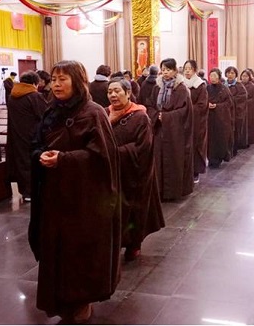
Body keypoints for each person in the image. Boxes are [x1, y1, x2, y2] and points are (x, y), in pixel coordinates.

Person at [30, 60, 120, 323]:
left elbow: (103, 158)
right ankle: (59, 299)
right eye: (54, 79)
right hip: (53, 195)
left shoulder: (93, 113)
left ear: (78, 82)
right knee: (56, 250)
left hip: (84, 200)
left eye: (63, 79)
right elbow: (36, 143)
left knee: (80, 251)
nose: (56, 85)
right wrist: (41, 154)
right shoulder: (51, 111)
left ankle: (82, 300)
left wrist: (65, 159)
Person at [107, 77, 164, 262]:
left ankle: (133, 244)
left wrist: (116, 153)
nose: (113, 95)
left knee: (133, 212)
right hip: (111, 173)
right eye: (110, 92)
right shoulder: (105, 115)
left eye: (117, 91)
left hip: (134, 174)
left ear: (128, 92)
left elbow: (143, 148)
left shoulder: (140, 116)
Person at [148, 59, 194, 201]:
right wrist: (156, 115)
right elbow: (150, 105)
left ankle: (173, 192)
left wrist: (166, 117)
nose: (165, 72)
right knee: (158, 159)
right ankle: (159, 190)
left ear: (175, 71)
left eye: (168, 69)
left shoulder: (181, 89)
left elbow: (185, 111)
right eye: (163, 69)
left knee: (174, 159)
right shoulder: (157, 88)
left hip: (175, 132)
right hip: (158, 129)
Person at [6, 71, 47, 202]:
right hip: (33, 135)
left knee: (21, 163)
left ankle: (25, 192)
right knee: (33, 163)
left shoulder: (12, 96)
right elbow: (44, 115)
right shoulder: (34, 96)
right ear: (35, 83)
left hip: (17, 135)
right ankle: (33, 191)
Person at [183, 60, 208, 182]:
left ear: (195, 70)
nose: (187, 71)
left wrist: (187, 109)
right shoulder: (180, 84)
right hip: (182, 120)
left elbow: (202, 105)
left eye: (190, 68)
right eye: (185, 68)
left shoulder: (200, 85)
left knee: (195, 145)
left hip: (196, 121)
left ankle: (195, 172)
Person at [207, 68, 234, 168]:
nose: (212, 78)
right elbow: (202, 100)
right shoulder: (207, 88)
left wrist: (217, 106)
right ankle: (211, 158)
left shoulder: (224, 89)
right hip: (209, 118)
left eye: (215, 76)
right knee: (210, 139)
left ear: (219, 77)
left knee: (219, 138)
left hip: (221, 119)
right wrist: (207, 104)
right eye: (211, 76)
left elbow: (228, 103)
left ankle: (218, 158)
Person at [225, 66, 248, 154]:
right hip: (225, 113)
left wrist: (230, 101)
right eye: (228, 73)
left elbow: (242, 98)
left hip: (236, 113)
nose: (230, 75)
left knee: (235, 131)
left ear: (236, 75)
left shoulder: (239, 86)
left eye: (232, 73)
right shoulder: (223, 85)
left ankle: (234, 149)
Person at [240, 69, 254, 145]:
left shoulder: (252, 86)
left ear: (249, 77)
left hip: (250, 109)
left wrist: (246, 102)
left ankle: (250, 139)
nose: (244, 78)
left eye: (246, 76)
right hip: (241, 108)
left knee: (250, 124)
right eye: (243, 76)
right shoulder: (239, 85)